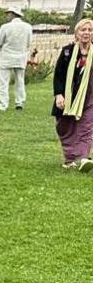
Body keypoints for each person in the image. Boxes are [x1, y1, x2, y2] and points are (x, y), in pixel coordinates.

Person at [53, 18, 93, 171]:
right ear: (77, 33)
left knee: (86, 127)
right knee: (65, 127)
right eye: (83, 30)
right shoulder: (67, 52)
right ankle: (70, 158)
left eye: (90, 30)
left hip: (89, 98)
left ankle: (83, 158)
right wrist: (59, 95)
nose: (87, 33)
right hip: (68, 97)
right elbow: (59, 75)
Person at [0, 6, 33, 111]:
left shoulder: (5, 27)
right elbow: (29, 43)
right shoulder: (28, 27)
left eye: (8, 14)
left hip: (6, 57)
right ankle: (19, 102)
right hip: (20, 57)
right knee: (20, 80)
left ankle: (3, 104)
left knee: (3, 81)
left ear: (12, 14)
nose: (7, 16)